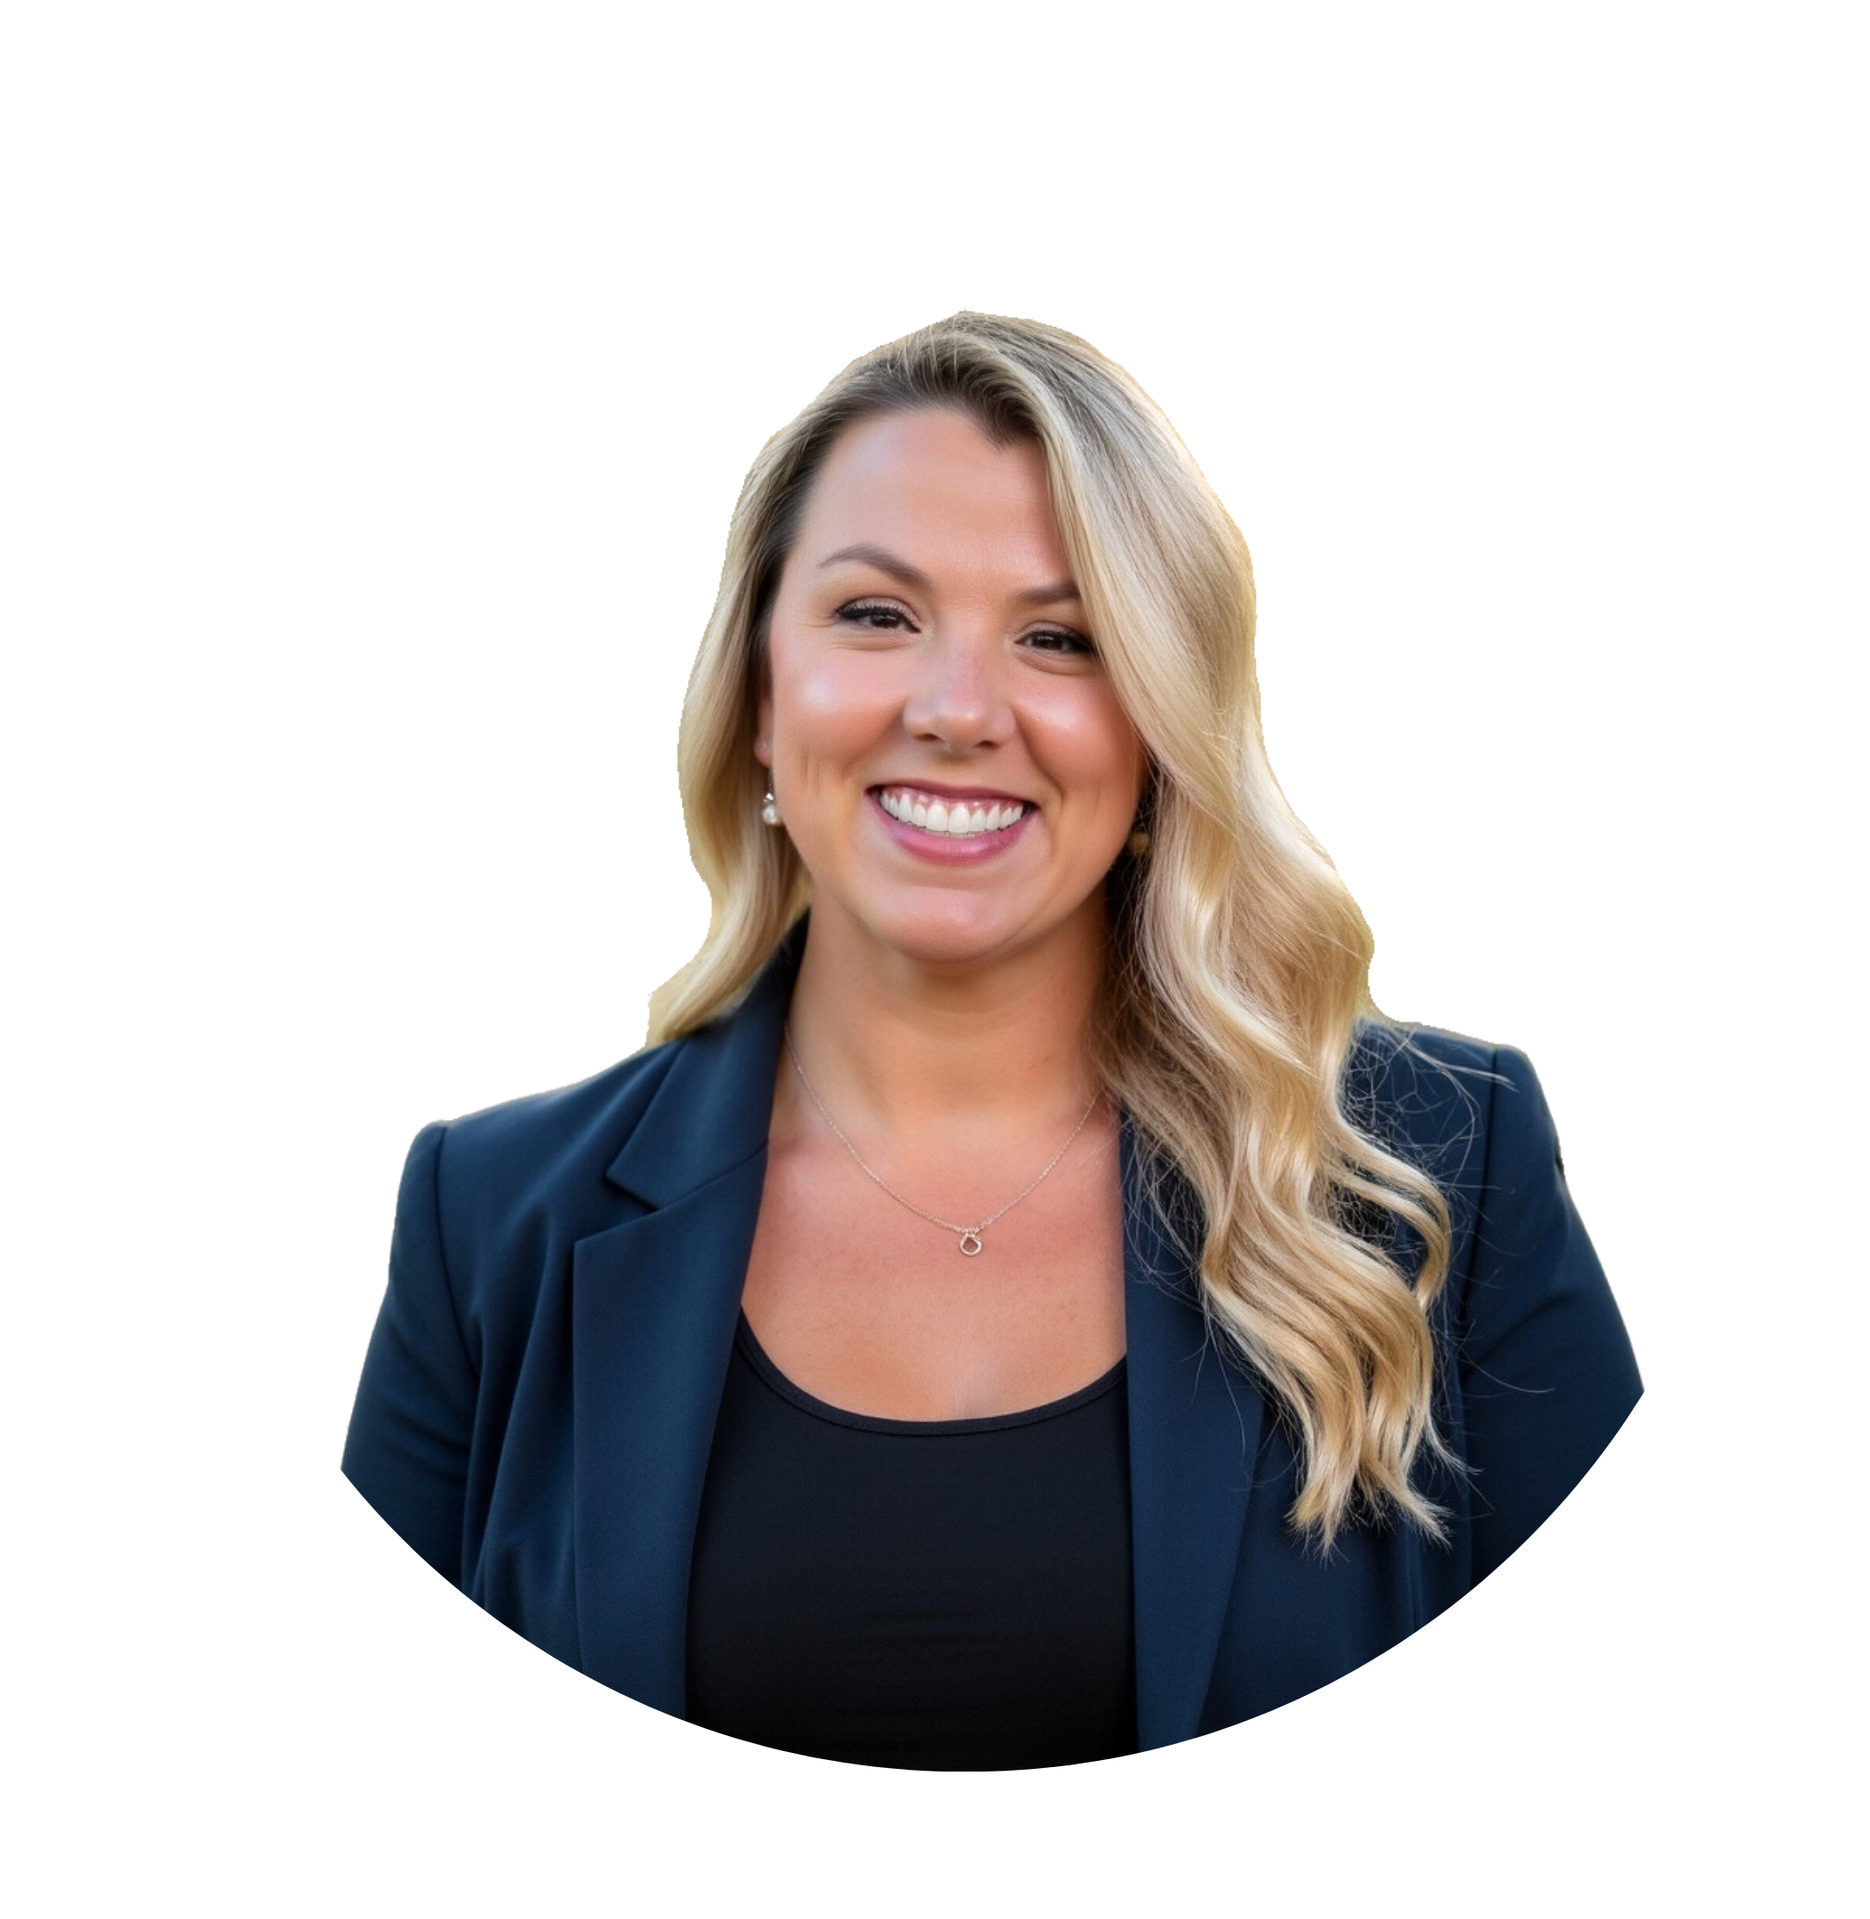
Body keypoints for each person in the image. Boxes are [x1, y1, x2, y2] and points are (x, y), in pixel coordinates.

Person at [343, 311, 1641, 1770]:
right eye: (876, 616)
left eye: (1061, 637)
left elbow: (1620, 1747)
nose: (959, 711)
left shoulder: (1438, 1174)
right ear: (761, 694)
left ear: (1160, 730)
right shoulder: (490, 1223)